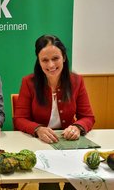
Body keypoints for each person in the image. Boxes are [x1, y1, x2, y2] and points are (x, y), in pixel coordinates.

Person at [14, 34, 95, 190]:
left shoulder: (77, 81)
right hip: (41, 144)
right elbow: (20, 119)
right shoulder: (28, 82)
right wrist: (37, 129)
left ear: (64, 57)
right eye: (44, 60)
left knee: (78, 180)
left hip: (69, 144)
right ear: (38, 61)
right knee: (49, 183)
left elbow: (88, 117)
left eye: (55, 58)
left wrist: (77, 127)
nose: (51, 65)